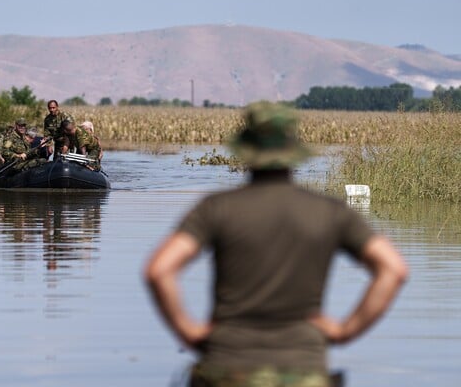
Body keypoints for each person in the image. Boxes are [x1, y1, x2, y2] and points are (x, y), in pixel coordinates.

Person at [144, 102, 408, 387]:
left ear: (245, 151)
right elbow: (393, 269)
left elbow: (160, 270)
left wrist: (189, 332)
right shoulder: (330, 211)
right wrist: (347, 330)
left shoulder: (216, 208)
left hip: (227, 367)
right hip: (305, 369)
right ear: (294, 152)